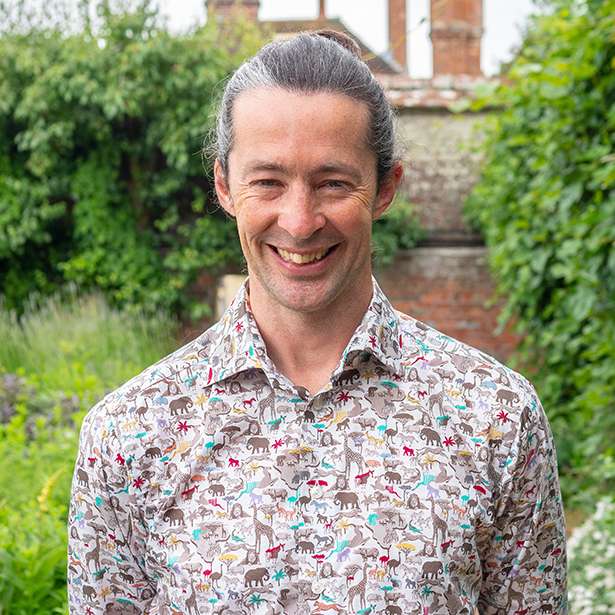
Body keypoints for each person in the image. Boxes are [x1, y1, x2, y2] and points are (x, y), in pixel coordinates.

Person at [67, 30, 567, 615]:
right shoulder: (128, 437)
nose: (300, 222)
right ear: (225, 186)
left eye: (333, 182)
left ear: (385, 188)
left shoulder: (496, 418)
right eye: (268, 182)